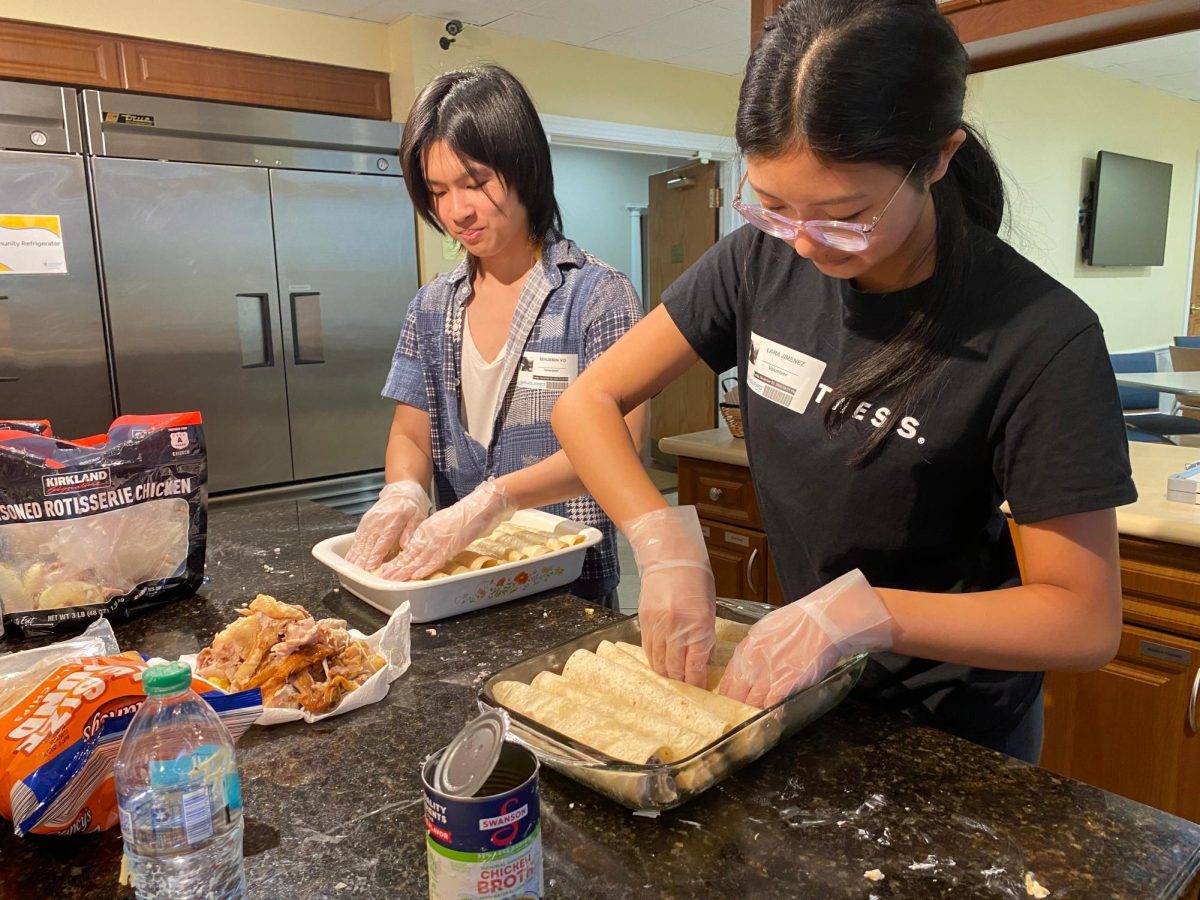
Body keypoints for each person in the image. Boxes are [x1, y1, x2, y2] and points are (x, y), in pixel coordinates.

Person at [550, 0, 1136, 760]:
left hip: (952, 727)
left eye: (844, 214)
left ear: (937, 157)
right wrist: (661, 540)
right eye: (772, 207)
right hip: (806, 694)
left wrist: (865, 612)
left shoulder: (1039, 335)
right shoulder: (755, 262)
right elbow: (587, 401)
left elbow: (1083, 619)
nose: (802, 242)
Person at [345, 64, 647, 606]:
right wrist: (404, 491)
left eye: (476, 182)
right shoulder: (432, 306)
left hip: (566, 585)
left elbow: (621, 445)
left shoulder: (597, 296)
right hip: (455, 584)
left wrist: (495, 500)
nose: (457, 210)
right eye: (438, 191)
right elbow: (410, 434)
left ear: (524, 168)